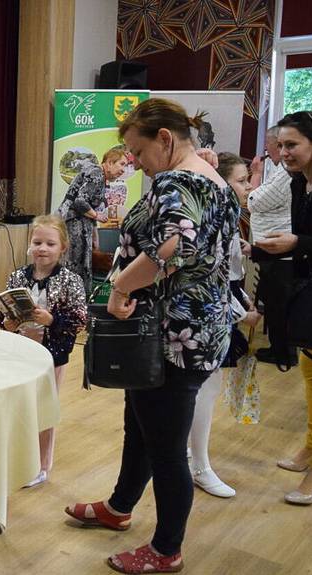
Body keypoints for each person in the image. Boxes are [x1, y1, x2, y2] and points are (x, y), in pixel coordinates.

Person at [65, 98, 238, 574]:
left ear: (165, 140)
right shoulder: (211, 175)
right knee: (142, 427)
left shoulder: (179, 179)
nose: (134, 162)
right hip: (194, 324)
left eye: (137, 151)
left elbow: (175, 246)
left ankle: (166, 549)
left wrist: (121, 284)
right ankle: (120, 508)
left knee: (163, 445)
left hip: (173, 332)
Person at [187, 153, 261, 499]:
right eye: (242, 180)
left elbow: (231, 274)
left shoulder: (229, 219)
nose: (248, 187)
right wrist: (237, 313)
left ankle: (194, 458)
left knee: (207, 389)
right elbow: (212, 278)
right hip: (211, 312)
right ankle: (198, 464)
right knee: (204, 389)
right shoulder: (213, 219)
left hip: (224, 304)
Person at [251, 111, 312, 506]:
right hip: (306, 285)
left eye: (292, 145)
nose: (284, 152)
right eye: (281, 145)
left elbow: (304, 239)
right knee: (310, 371)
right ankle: (310, 446)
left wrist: (297, 244)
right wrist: (255, 248)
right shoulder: (297, 182)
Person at [1, 215, 87, 487]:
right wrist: (8, 321)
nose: (42, 248)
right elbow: (7, 314)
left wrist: (52, 320)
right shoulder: (18, 275)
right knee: (18, 407)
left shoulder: (71, 280)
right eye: (37, 242)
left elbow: (79, 319)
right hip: (20, 351)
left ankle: (40, 465)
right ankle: (16, 456)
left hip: (51, 354)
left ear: (63, 247)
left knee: (43, 409)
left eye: (50, 243)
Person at [248, 145, 296, 369]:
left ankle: (283, 353)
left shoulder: (285, 173)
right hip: (270, 250)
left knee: (278, 305)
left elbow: (254, 202)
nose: (268, 150)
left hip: (280, 254)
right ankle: (281, 350)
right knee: (274, 302)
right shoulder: (281, 171)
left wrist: (255, 174)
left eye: (288, 144)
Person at [57, 148, 128, 294]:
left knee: (81, 267)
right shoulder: (96, 173)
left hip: (82, 225)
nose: (123, 170)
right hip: (73, 225)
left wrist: (95, 234)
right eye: (122, 164)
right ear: (109, 163)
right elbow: (80, 201)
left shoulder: (100, 177)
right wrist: (97, 216)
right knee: (75, 267)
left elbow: (87, 204)